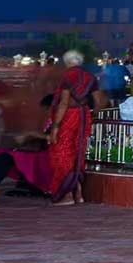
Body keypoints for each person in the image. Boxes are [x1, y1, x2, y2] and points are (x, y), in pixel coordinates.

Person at [47, 50, 105, 205]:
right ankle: (78, 193)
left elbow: (64, 103)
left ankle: (66, 195)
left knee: (63, 152)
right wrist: (92, 116)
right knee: (79, 152)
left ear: (67, 62)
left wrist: (55, 126)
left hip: (69, 116)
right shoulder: (90, 77)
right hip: (84, 116)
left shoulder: (68, 76)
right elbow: (99, 102)